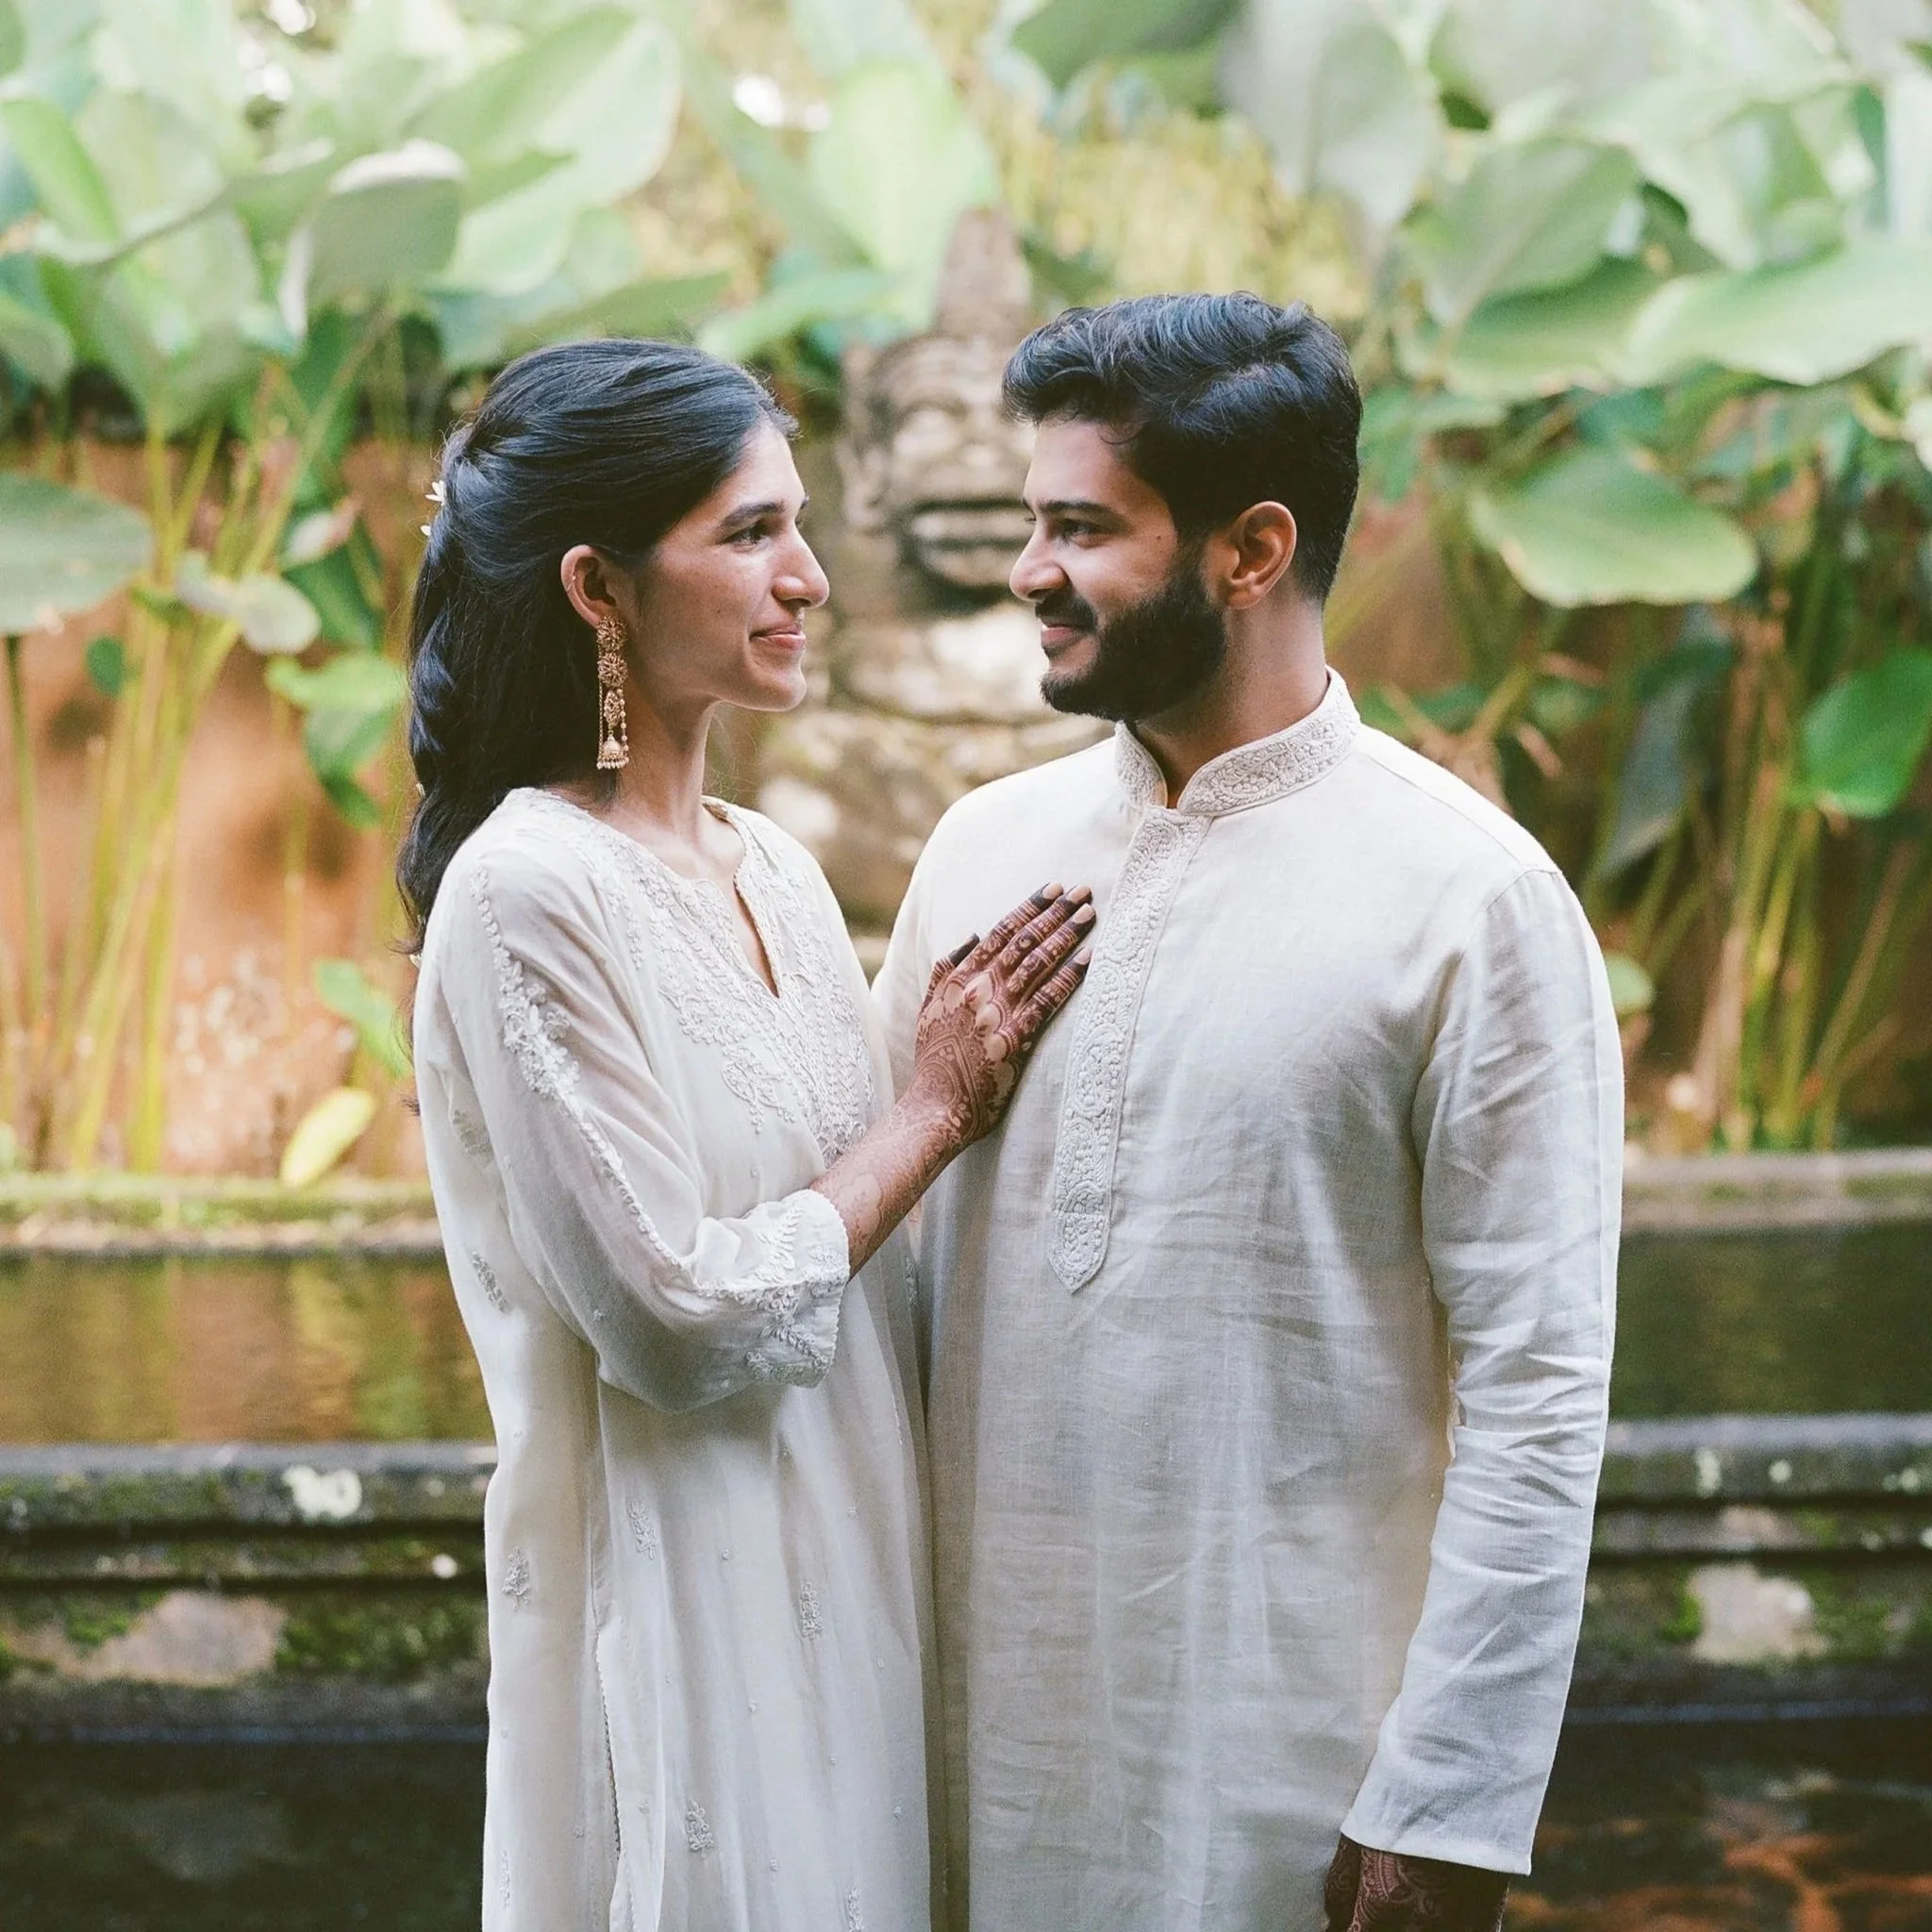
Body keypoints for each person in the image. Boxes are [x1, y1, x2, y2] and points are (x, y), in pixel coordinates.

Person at [874, 294, 1622, 1931]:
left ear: (1252, 547)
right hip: (972, 1751)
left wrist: (1448, 1805)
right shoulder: (981, 858)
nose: (1027, 571)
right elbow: (884, 1296)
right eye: (1031, 522)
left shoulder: (1472, 898)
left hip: (1298, 1766)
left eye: (1081, 527)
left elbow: (1540, 1391)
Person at [401, 338, 1091, 1932]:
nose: (809, 579)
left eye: (799, 525)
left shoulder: (773, 866)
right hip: (686, 1615)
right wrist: (933, 1108)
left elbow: (877, 1272)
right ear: (598, 588)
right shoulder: (524, 898)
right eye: (750, 534)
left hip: (860, 1588)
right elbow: (674, 1320)